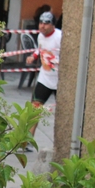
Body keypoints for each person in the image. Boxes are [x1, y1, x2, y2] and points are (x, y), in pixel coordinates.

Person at [25, 11, 62, 140]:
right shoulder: (40, 36)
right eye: (41, 23)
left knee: (63, 112)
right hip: (45, 78)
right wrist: (33, 56)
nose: (42, 26)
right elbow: (40, 49)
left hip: (59, 80)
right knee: (34, 108)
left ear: (53, 25)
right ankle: (27, 141)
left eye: (46, 23)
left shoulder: (59, 36)